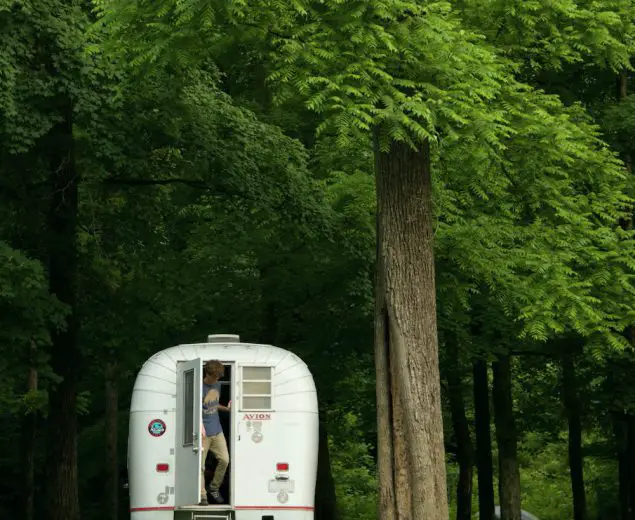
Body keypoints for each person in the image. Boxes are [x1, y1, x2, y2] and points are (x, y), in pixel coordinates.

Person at [199, 360, 230, 505]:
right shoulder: (198, 387)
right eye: (216, 376)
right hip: (203, 433)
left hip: (217, 431)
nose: (217, 379)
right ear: (208, 374)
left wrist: (227, 409)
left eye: (219, 377)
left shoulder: (217, 385)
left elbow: (214, 404)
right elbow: (192, 408)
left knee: (224, 460)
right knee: (200, 465)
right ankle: (202, 495)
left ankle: (214, 487)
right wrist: (199, 426)